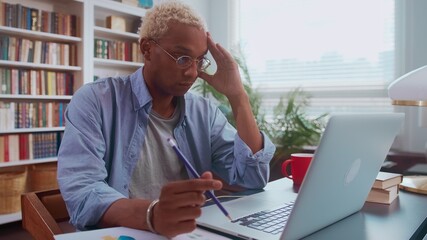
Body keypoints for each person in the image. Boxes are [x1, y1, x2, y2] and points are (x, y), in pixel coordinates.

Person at [57, 0, 275, 238]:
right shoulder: (95, 101)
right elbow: (83, 194)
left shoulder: (204, 112)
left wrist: (238, 96)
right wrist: (152, 214)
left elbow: (252, 179)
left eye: (199, 60)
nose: (192, 72)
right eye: (182, 58)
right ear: (148, 49)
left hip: (187, 234)